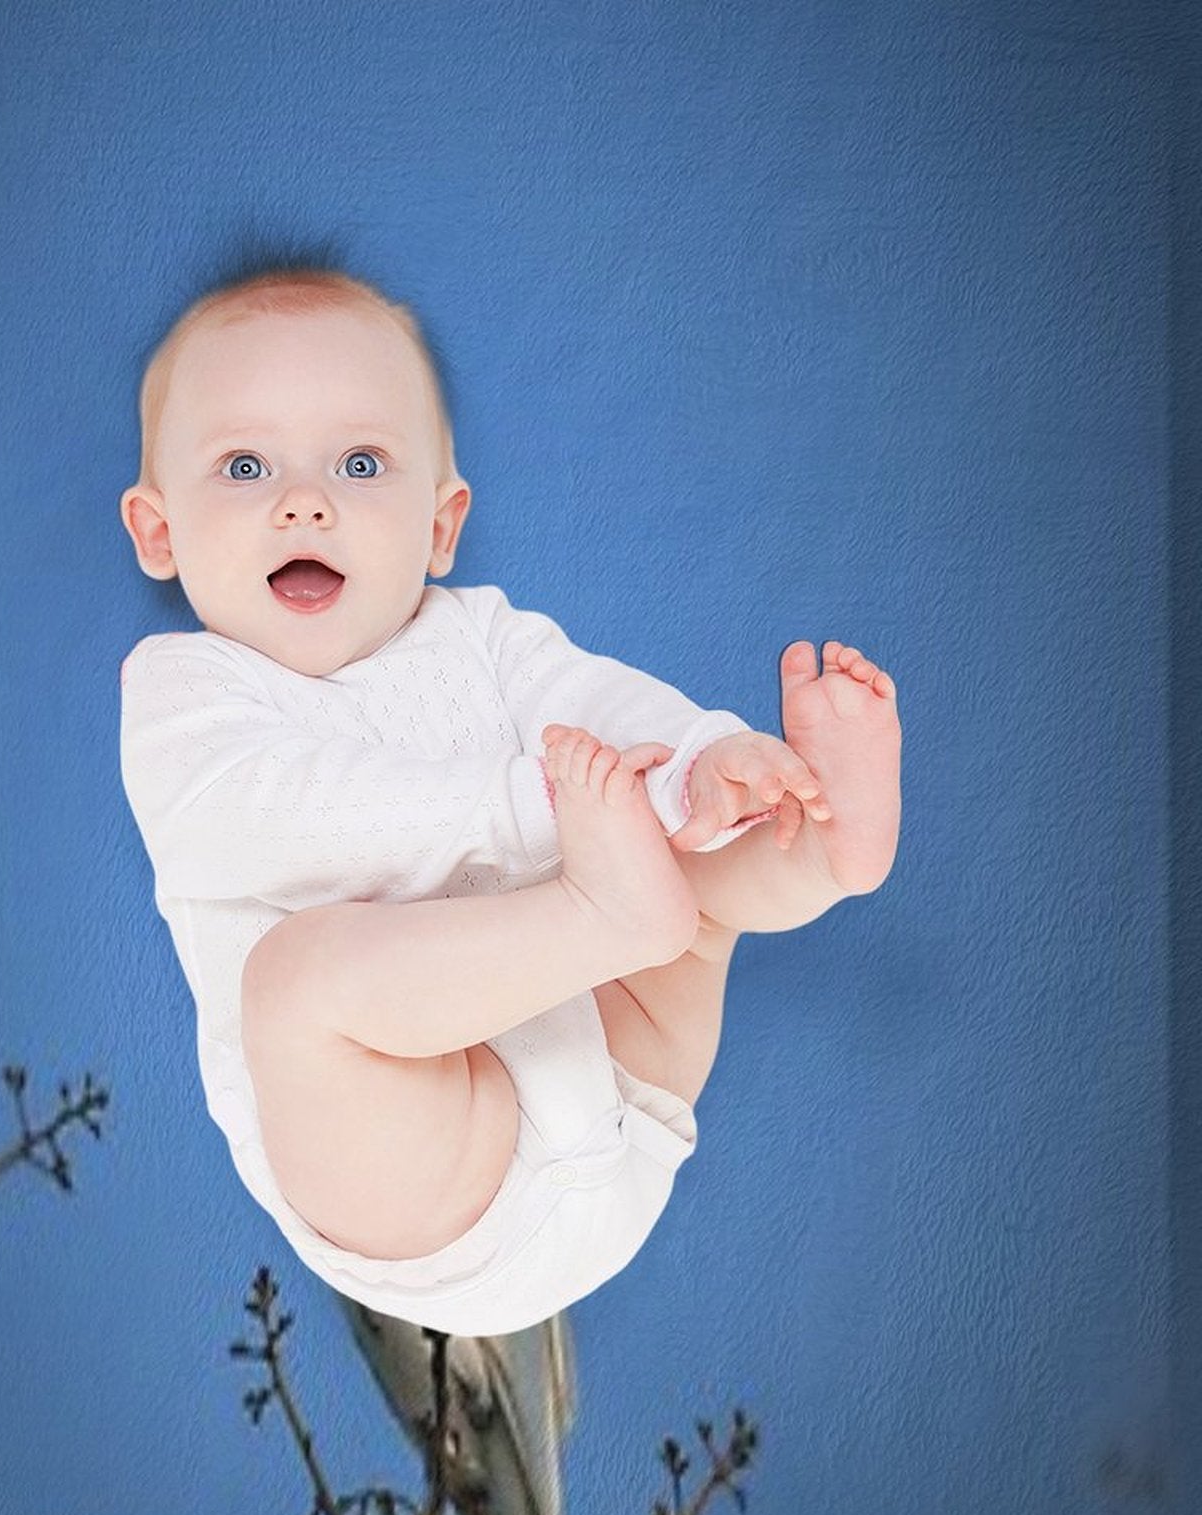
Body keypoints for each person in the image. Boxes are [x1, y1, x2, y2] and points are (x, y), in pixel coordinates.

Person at [117, 265, 902, 1336]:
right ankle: (614, 909)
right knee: (295, 984)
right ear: (159, 532)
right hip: (435, 1184)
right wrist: (534, 807)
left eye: (360, 462)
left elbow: (595, 699)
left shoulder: (480, 632)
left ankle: (812, 847)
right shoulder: (186, 691)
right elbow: (268, 818)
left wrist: (700, 761)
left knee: (693, 874)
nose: (305, 500)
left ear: (440, 526)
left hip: (626, 1077)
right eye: (244, 465)